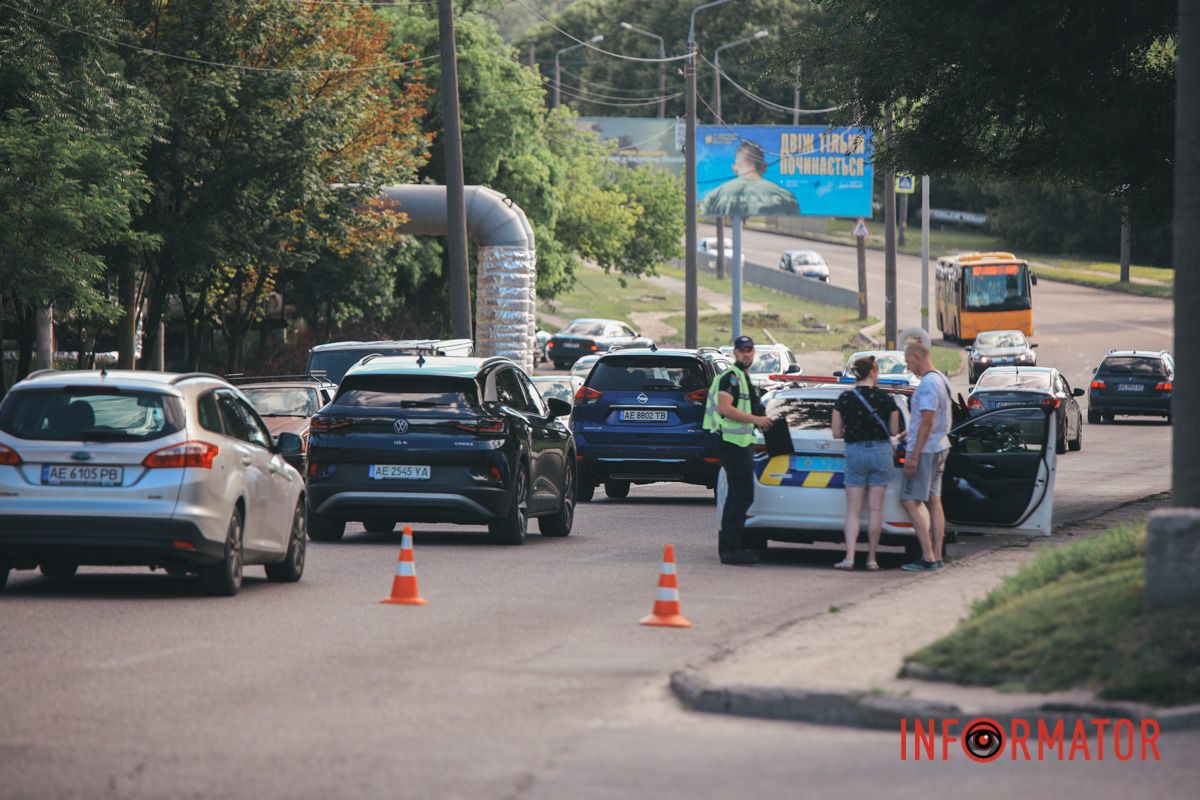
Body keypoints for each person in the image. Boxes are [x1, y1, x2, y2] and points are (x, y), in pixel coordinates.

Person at [702, 335, 773, 565]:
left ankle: (729, 548)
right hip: (733, 443)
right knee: (742, 495)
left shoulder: (743, 378)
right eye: (743, 350)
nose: (746, 354)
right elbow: (724, 407)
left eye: (750, 350)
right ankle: (732, 549)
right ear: (735, 352)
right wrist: (756, 419)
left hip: (740, 443)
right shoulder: (731, 378)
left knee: (736, 496)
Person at [831, 355, 900, 571]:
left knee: (852, 510)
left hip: (855, 452)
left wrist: (853, 429)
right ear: (872, 372)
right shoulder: (887, 399)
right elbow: (894, 432)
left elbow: (835, 432)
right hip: (880, 452)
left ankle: (850, 558)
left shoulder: (844, 398)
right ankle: (872, 559)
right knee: (875, 509)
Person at [899, 339, 953, 571]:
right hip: (940, 444)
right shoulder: (941, 379)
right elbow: (928, 419)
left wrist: (913, 455)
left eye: (908, 361)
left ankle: (928, 556)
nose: (907, 366)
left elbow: (928, 420)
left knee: (909, 500)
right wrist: (907, 432)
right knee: (934, 501)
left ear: (918, 357)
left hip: (927, 449)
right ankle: (938, 555)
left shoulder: (928, 384)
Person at [699, 141, 801, 217]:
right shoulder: (786, 197)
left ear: (734, 169)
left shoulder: (713, 197)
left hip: (726, 242)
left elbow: (699, 220)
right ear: (764, 167)